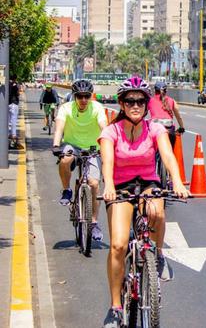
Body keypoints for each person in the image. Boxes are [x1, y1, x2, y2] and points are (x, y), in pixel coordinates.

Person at [99, 77, 189, 328]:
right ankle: (115, 306)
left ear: (147, 103)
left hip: (148, 182)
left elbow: (168, 156)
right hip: (119, 187)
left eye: (140, 100)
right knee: (117, 245)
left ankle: (157, 256)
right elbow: (107, 163)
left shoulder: (156, 129)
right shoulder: (111, 131)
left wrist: (178, 182)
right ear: (121, 103)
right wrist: (108, 186)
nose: (135, 105)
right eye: (130, 101)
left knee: (157, 212)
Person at [51, 79, 107, 241]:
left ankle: (94, 222)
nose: (83, 100)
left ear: (91, 96)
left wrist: (110, 143)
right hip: (72, 145)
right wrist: (56, 145)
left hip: (92, 148)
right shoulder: (66, 108)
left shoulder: (97, 107)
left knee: (95, 184)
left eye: (86, 96)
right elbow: (59, 128)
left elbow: (104, 127)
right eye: (80, 96)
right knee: (65, 159)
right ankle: (67, 190)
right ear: (74, 96)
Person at [148, 81, 185, 147]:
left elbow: (142, 113)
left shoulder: (150, 100)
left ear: (155, 90)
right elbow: (178, 117)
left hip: (155, 129)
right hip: (170, 129)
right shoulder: (172, 101)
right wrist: (182, 128)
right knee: (170, 151)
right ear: (166, 90)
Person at [8, 75, 23, 149]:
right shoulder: (15, 85)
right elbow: (17, 93)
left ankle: (9, 134)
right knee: (13, 121)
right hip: (14, 104)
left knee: (7, 121)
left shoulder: (5, 83)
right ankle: (13, 135)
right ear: (15, 79)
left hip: (6, 104)